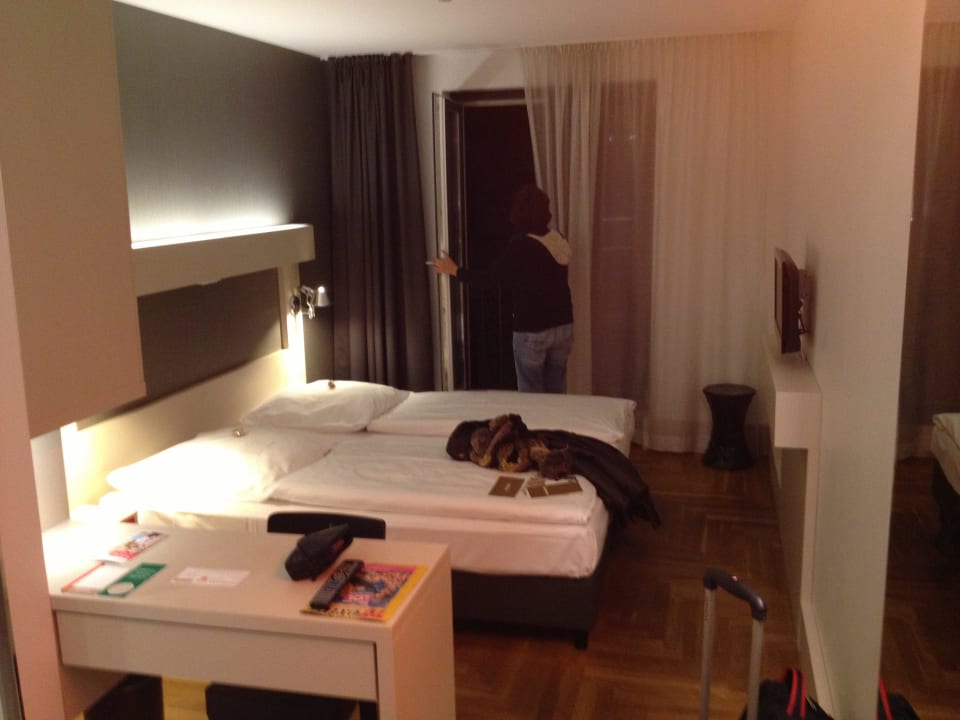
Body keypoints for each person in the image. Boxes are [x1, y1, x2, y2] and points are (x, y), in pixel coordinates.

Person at [430, 184, 574, 393]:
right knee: (557, 393)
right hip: (564, 326)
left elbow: (490, 279)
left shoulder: (522, 246)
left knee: (533, 398)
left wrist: (454, 270)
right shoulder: (558, 239)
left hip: (533, 329)